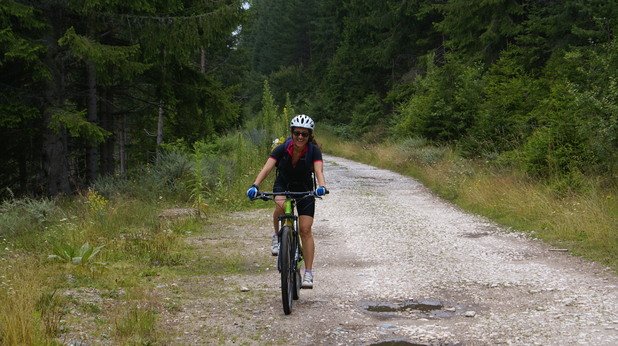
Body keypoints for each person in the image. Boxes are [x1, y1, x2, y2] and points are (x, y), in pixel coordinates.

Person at [246, 114, 327, 289]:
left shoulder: (313, 151)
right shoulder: (282, 148)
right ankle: (277, 236)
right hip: (283, 184)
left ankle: (308, 273)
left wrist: (321, 186)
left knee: (305, 229)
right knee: (281, 205)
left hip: (305, 188)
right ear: (291, 133)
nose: (300, 137)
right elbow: (267, 168)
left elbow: (319, 171)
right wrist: (255, 185)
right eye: (297, 133)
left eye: (304, 134)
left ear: (309, 136)